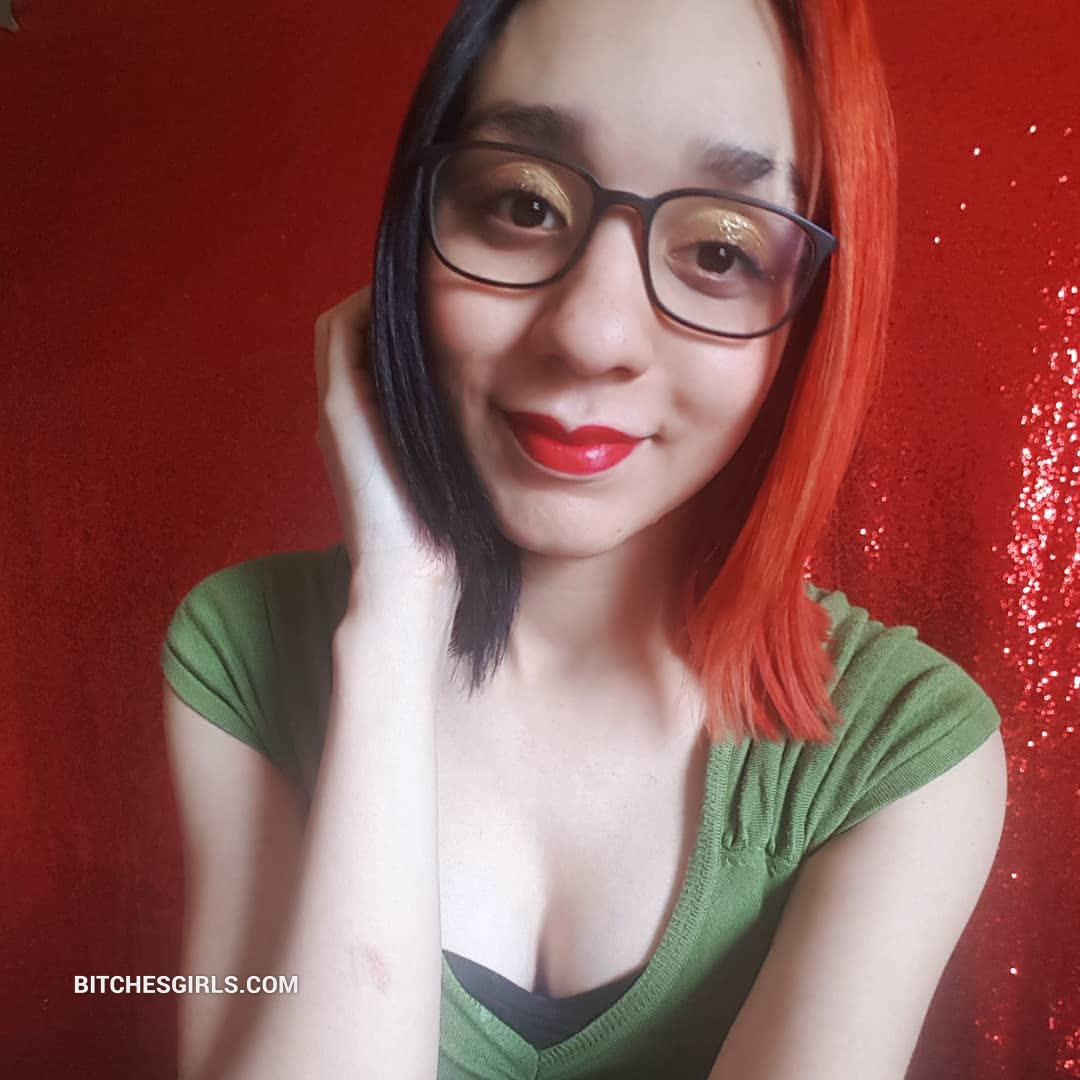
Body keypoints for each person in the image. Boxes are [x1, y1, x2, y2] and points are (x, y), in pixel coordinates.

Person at [160, 0, 1008, 1077]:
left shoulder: (904, 753)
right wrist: (394, 624)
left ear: (810, 323)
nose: (592, 333)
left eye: (720, 250)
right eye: (523, 203)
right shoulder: (240, 653)